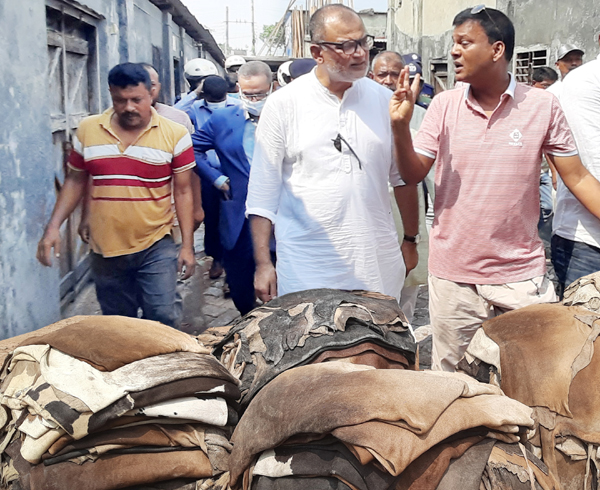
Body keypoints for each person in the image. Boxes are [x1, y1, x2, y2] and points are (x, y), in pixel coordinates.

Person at [390, 7, 600, 371]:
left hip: (521, 275)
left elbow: (577, 177)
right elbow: (411, 174)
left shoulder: (541, 105)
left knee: (534, 379)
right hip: (455, 278)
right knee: (454, 385)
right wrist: (399, 127)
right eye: (453, 43)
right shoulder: (444, 106)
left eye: (464, 42)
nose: (454, 51)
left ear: (496, 49)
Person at [246, 4, 419, 304]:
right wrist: (263, 264)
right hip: (306, 267)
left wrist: (410, 240)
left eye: (363, 42)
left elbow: (403, 179)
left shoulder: (385, 101)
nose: (360, 53)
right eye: (347, 46)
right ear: (317, 52)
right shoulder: (284, 104)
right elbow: (263, 192)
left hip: (376, 264)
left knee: (378, 335)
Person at [37, 63, 196, 328]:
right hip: (105, 246)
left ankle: (165, 355)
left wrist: (188, 246)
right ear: (111, 94)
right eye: (120, 100)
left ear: (151, 94)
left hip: (156, 241)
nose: (129, 107)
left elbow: (183, 190)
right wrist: (53, 227)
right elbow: (76, 180)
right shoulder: (88, 129)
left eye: (137, 100)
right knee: (119, 324)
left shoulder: (175, 133)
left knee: (163, 315)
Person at [192, 61, 274, 315]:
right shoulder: (223, 119)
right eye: (248, 94)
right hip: (238, 214)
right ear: (238, 89)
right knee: (240, 287)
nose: (254, 100)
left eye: (260, 94)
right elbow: (191, 149)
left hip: (280, 214)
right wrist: (216, 178)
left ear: (272, 87)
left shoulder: (287, 117)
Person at [369, 50, 429, 321]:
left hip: (407, 209)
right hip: (373, 213)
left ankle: (405, 338)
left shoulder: (421, 115)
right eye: (383, 74)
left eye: (395, 74)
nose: (389, 80)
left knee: (407, 288)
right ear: (372, 77)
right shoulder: (360, 114)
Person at [551, 35, 600, 297]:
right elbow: (590, 166)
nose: (573, 63)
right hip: (589, 243)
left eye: (576, 58)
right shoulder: (585, 82)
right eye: (567, 59)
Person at [187, 75, 241, 280]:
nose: (216, 105)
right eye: (212, 100)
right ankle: (217, 258)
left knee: (235, 219)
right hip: (207, 173)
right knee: (211, 218)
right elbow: (174, 114)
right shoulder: (195, 108)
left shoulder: (238, 107)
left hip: (234, 172)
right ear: (204, 96)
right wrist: (194, 94)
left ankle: (233, 268)